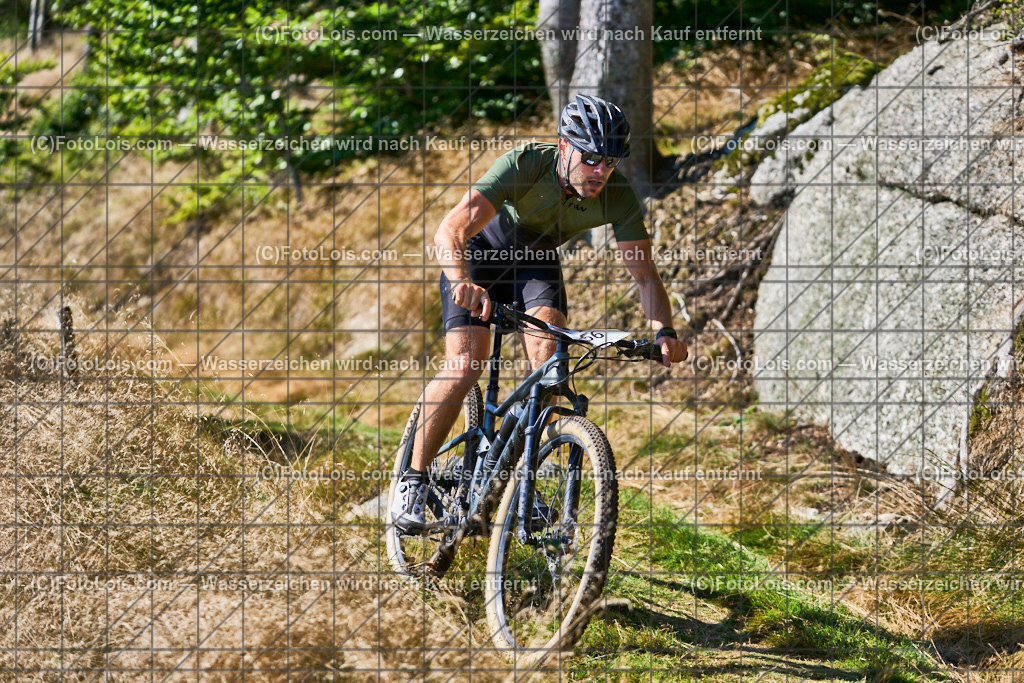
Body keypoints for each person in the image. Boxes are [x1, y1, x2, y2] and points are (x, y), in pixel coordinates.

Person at [391, 94, 688, 532]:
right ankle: (412, 480)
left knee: (552, 368)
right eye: (591, 159)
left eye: (610, 161)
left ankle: (519, 488)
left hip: (535, 261)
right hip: (481, 252)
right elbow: (451, 229)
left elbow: (645, 275)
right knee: (466, 365)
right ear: (565, 147)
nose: (601, 172)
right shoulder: (526, 163)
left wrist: (664, 330)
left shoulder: (618, 194)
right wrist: (460, 282)